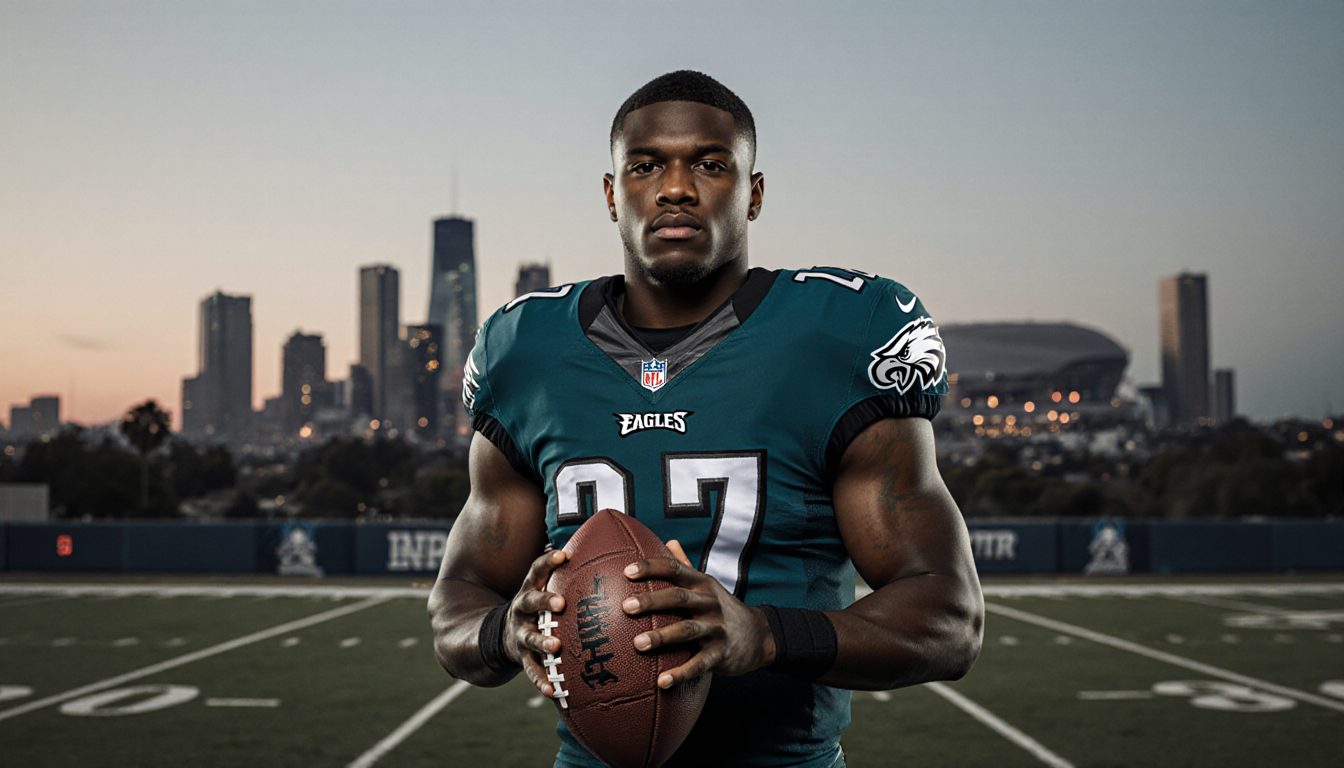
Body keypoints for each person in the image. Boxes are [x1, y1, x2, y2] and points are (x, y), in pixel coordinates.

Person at [429, 70, 983, 768]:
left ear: (754, 193)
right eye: (646, 166)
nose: (676, 188)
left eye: (711, 164)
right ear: (612, 195)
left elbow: (949, 617)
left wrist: (765, 635)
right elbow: (457, 600)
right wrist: (505, 633)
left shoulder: (840, 336)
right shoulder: (525, 351)